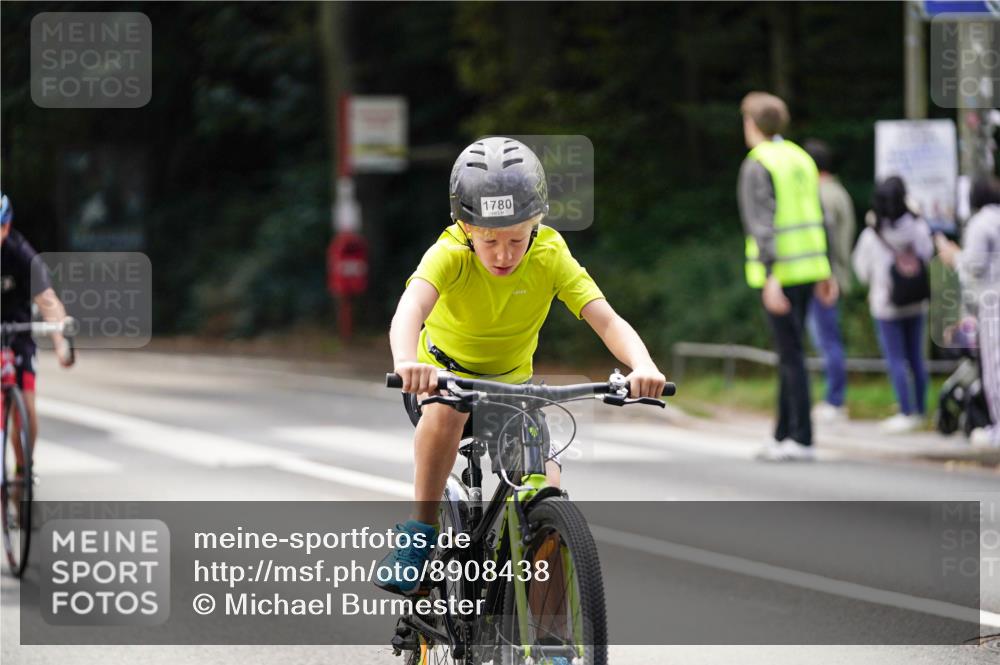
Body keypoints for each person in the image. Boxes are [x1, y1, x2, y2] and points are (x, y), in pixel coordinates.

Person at [377, 137, 666, 595]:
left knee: (546, 487)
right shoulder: (449, 253)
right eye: (489, 240)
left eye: (516, 238)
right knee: (445, 411)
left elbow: (606, 319)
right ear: (465, 227)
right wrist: (408, 362)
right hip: (443, 379)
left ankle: (550, 637)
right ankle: (420, 531)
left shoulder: (550, 255)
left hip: (513, 389)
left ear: (537, 222)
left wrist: (643, 365)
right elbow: (409, 310)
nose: (504, 254)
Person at [737, 92, 838, 462]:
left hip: (781, 271)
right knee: (790, 352)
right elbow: (820, 216)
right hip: (810, 268)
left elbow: (761, 224)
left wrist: (770, 274)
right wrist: (828, 269)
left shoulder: (758, 163)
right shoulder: (801, 158)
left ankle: (802, 437)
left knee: (792, 355)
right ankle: (782, 435)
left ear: (752, 124)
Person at [0, 193, 75, 483]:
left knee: (27, 407)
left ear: (6, 227)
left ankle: (23, 470)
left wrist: (60, 343)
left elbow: (47, 300)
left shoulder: (21, 254)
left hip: (18, 332)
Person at [851, 177, 934, 434]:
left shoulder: (872, 235)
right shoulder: (917, 227)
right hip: (916, 303)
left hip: (885, 304)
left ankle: (905, 411)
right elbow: (928, 254)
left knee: (896, 359)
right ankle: (920, 410)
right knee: (916, 359)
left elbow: (862, 271)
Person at [936, 177, 1000, 447]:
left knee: (995, 366)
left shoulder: (981, 223)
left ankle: (997, 427)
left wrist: (952, 256)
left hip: (992, 300)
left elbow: (973, 265)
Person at [803, 139, 856, 424]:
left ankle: (835, 400)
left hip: (825, 279)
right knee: (829, 339)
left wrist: (825, 275)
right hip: (836, 275)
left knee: (827, 341)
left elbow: (826, 239)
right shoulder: (838, 191)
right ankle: (834, 399)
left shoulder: (821, 195)